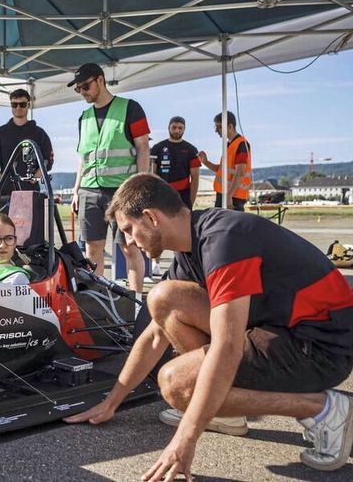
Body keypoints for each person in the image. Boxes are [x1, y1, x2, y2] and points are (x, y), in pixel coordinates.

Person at [65, 173, 353, 477]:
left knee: (177, 384)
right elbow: (154, 336)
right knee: (165, 299)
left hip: (322, 348)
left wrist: (185, 439)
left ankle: (323, 409)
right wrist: (112, 401)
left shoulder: (225, 239)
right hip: (282, 331)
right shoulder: (191, 245)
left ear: (150, 217)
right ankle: (227, 412)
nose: (128, 242)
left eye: (128, 230)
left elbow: (227, 347)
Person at [69, 63, 149, 296]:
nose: (82, 92)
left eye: (85, 86)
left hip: (122, 191)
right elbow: (83, 158)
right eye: (78, 89)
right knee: (93, 250)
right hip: (89, 191)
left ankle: (135, 306)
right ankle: (100, 303)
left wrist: (139, 188)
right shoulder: (83, 118)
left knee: (129, 248)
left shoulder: (130, 108)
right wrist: (76, 191)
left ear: (101, 81)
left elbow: (143, 147)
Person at [150, 116, 200, 275]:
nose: (177, 130)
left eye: (180, 128)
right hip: (162, 194)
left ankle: (180, 265)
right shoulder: (158, 148)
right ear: (169, 128)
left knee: (181, 230)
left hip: (183, 195)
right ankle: (155, 263)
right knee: (157, 227)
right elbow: (152, 173)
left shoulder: (191, 150)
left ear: (184, 129)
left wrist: (191, 200)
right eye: (174, 127)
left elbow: (196, 177)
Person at [0, 88, 53, 191]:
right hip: (6, 191)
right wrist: (0, 177)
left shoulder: (39, 133)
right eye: (14, 104)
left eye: (22, 104)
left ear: (28, 105)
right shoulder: (0, 133)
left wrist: (35, 178)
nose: (18, 107)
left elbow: (48, 159)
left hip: (31, 190)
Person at [198, 111, 251, 211]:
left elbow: (240, 172)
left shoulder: (241, 144)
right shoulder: (229, 144)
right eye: (216, 127)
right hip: (225, 194)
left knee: (231, 226)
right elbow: (222, 170)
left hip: (233, 196)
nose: (216, 130)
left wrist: (229, 195)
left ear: (230, 126)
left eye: (219, 127)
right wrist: (205, 162)